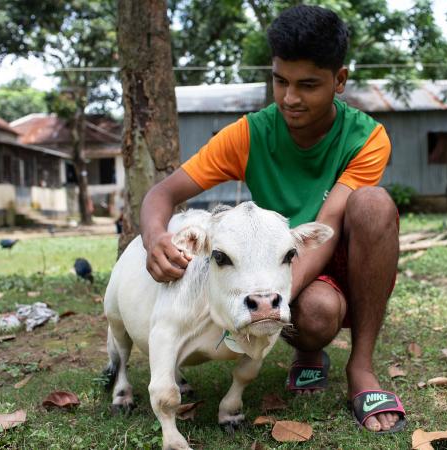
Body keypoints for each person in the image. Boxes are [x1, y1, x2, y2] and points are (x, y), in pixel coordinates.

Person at [140, 4, 404, 433]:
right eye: (280, 81)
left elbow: (329, 228)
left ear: (340, 81)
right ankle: (308, 351)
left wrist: (268, 305)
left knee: (373, 204)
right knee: (316, 317)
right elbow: (162, 193)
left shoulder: (366, 137)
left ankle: (361, 366)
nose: (290, 98)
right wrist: (154, 236)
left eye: (309, 85)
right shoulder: (249, 134)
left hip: (327, 247)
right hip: (277, 265)